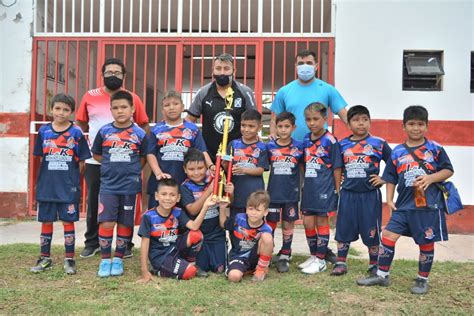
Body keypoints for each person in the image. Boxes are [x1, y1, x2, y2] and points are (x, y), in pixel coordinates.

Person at [357, 105, 454, 295]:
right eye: (411, 124)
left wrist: (430, 178)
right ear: (404, 126)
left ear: (426, 126)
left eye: (420, 124)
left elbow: (448, 170)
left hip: (428, 206)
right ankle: (382, 275)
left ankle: (422, 280)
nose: (415, 128)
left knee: (426, 242)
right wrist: (390, 200)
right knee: (388, 236)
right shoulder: (397, 152)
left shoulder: (435, 149)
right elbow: (390, 177)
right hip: (403, 205)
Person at [76, 58, 149, 259]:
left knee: (127, 203)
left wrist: (136, 162)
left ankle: (124, 245)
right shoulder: (89, 96)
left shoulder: (132, 97)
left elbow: (143, 126)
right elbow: (80, 125)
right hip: (95, 161)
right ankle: (92, 243)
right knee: (95, 203)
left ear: (124, 76)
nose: (113, 75)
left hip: (127, 164)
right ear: (102, 75)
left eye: (117, 72)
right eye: (109, 72)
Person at [30, 94, 91, 275]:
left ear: (71, 112)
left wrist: (71, 180)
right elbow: (41, 158)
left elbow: (82, 162)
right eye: (57, 108)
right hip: (47, 186)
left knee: (68, 221)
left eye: (66, 109)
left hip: (67, 187)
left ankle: (69, 259)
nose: (61, 113)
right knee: (46, 221)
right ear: (51, 110)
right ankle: (44, 257)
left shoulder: (76, 133)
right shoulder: (44, 132)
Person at [91, 91, 148, 277]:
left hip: (130, 186)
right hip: (108, 185)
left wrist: (130, 169)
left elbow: (142, 158)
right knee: (107, 222)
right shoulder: (104, 131)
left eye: (124, 107)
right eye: (115, 108)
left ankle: (118, 260)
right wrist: (111, 165)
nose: (120, 111)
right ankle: (105, 260)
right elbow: (97, 154)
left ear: (132, 109)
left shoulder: (139, 133)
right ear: (110, 110)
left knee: (125, 223)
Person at [331, 105, 392, 276]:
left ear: (370, 122)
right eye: (356, 120)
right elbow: (337, 167)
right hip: (348, 194)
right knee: (343, 228)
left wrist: (384, 178)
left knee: (371, 229)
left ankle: (374, 263)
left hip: (370, 195)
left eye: (365, 119)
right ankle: (341, 262)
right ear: (349, 124)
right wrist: (338, 189)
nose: (361, 124)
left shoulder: (379, 143)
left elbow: (394, 163)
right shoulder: (342, 144)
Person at [137, 179, 214, 282]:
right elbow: (145, 244)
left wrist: (205, 206)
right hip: (160, 256)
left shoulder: (178, 212)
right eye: (164, 194)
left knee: (196, 235)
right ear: (156, 196)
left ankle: (190, 263)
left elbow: (194, 226)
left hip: (174, 248)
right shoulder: (148, 216)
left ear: (178, 198)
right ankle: (157, 269)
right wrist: (144, 271)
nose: (168, 198)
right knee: (189, 272)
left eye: (172, 195)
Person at [185, 53, 257, 162]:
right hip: (208, 156)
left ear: (234, 71)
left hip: (239, 155)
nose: (222, 72)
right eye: (218, 68)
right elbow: (190, 119)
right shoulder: (203, 92)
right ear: (212, 70)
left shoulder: (245, 92)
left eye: (226, 68)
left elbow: (254, 120)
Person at [147, 91, 212, 208]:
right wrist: (158, 173)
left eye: (175, 104)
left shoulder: (192, 129)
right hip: (162, 181)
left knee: (182, 219)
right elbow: (150, 154)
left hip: (185, 182)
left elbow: (202, 151)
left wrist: (211, 166)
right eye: (167, 105)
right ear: (162, 110)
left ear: (182, 107)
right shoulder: (156, 129)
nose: (171, 107)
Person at [299, 103, 342, 274]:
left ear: (325, 119)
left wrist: (336, 189)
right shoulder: (305, 139)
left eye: (316, 119)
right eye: (308, 119)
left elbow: (337, 167)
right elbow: (303, 163)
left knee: (321, 221)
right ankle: (314, 255)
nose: (312, 123)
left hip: (325, 188)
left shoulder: (330, 140)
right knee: (307, 221)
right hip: (309, 188)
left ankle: (321, 260)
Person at [270, 49, 348, 142]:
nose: (305, 66)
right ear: (296, 66)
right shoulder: (284, 91)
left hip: (319, 148)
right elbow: (275, 119)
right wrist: (273, 138)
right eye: (301, 63)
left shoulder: (328, 89)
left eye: (309, 63)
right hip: (292, 149)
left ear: (316, 66)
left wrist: (365, 137)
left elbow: (345, 116)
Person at [179, 148, 232, 277]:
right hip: (199, 235)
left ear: (207, 167)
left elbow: (227, 201)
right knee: (202, 267)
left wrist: (230, 191)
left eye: (200, 168)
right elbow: (192, 209)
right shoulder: (185, 187)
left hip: (216, 233)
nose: (196, 173)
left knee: (219, 269)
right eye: (191, 169)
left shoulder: (215, 181)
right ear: (185, 169)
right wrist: (209, 191)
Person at [266, 112, 304, 273]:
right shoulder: (270, 147)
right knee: (271, 223)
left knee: (288, 222)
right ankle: (268, 253)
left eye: (287, 126)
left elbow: (303, 167)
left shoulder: (299, 147)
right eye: (280, 126)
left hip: (291, 193)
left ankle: (285, 254)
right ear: (275, 127)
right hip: (273, 192)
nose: (283, 130)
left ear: (293, 128)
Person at [219, 190, 274, 282]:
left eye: (258, 210)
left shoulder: (266, 228)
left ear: (265, 212)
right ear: (246, 209)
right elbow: (223, 224)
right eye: (251, 209)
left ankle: (261, 269)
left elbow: (268, 246)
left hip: (256, 257)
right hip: (239, 257)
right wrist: (222, 208)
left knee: (267, 237)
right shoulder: (238, 219)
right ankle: (244, 270)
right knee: (234, 277)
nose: (253, 213)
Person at [226, 109, 268, 217]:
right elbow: (227, 168)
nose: (246, 129)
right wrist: (224, 164)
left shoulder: (262, 147)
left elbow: (260, 170)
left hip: (255, 195)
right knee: (235, 226)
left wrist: (243, 170)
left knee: (254, 226)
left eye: (251, 126)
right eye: (243, 125)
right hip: (237, 193)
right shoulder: (233, 144)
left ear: (259, 127)